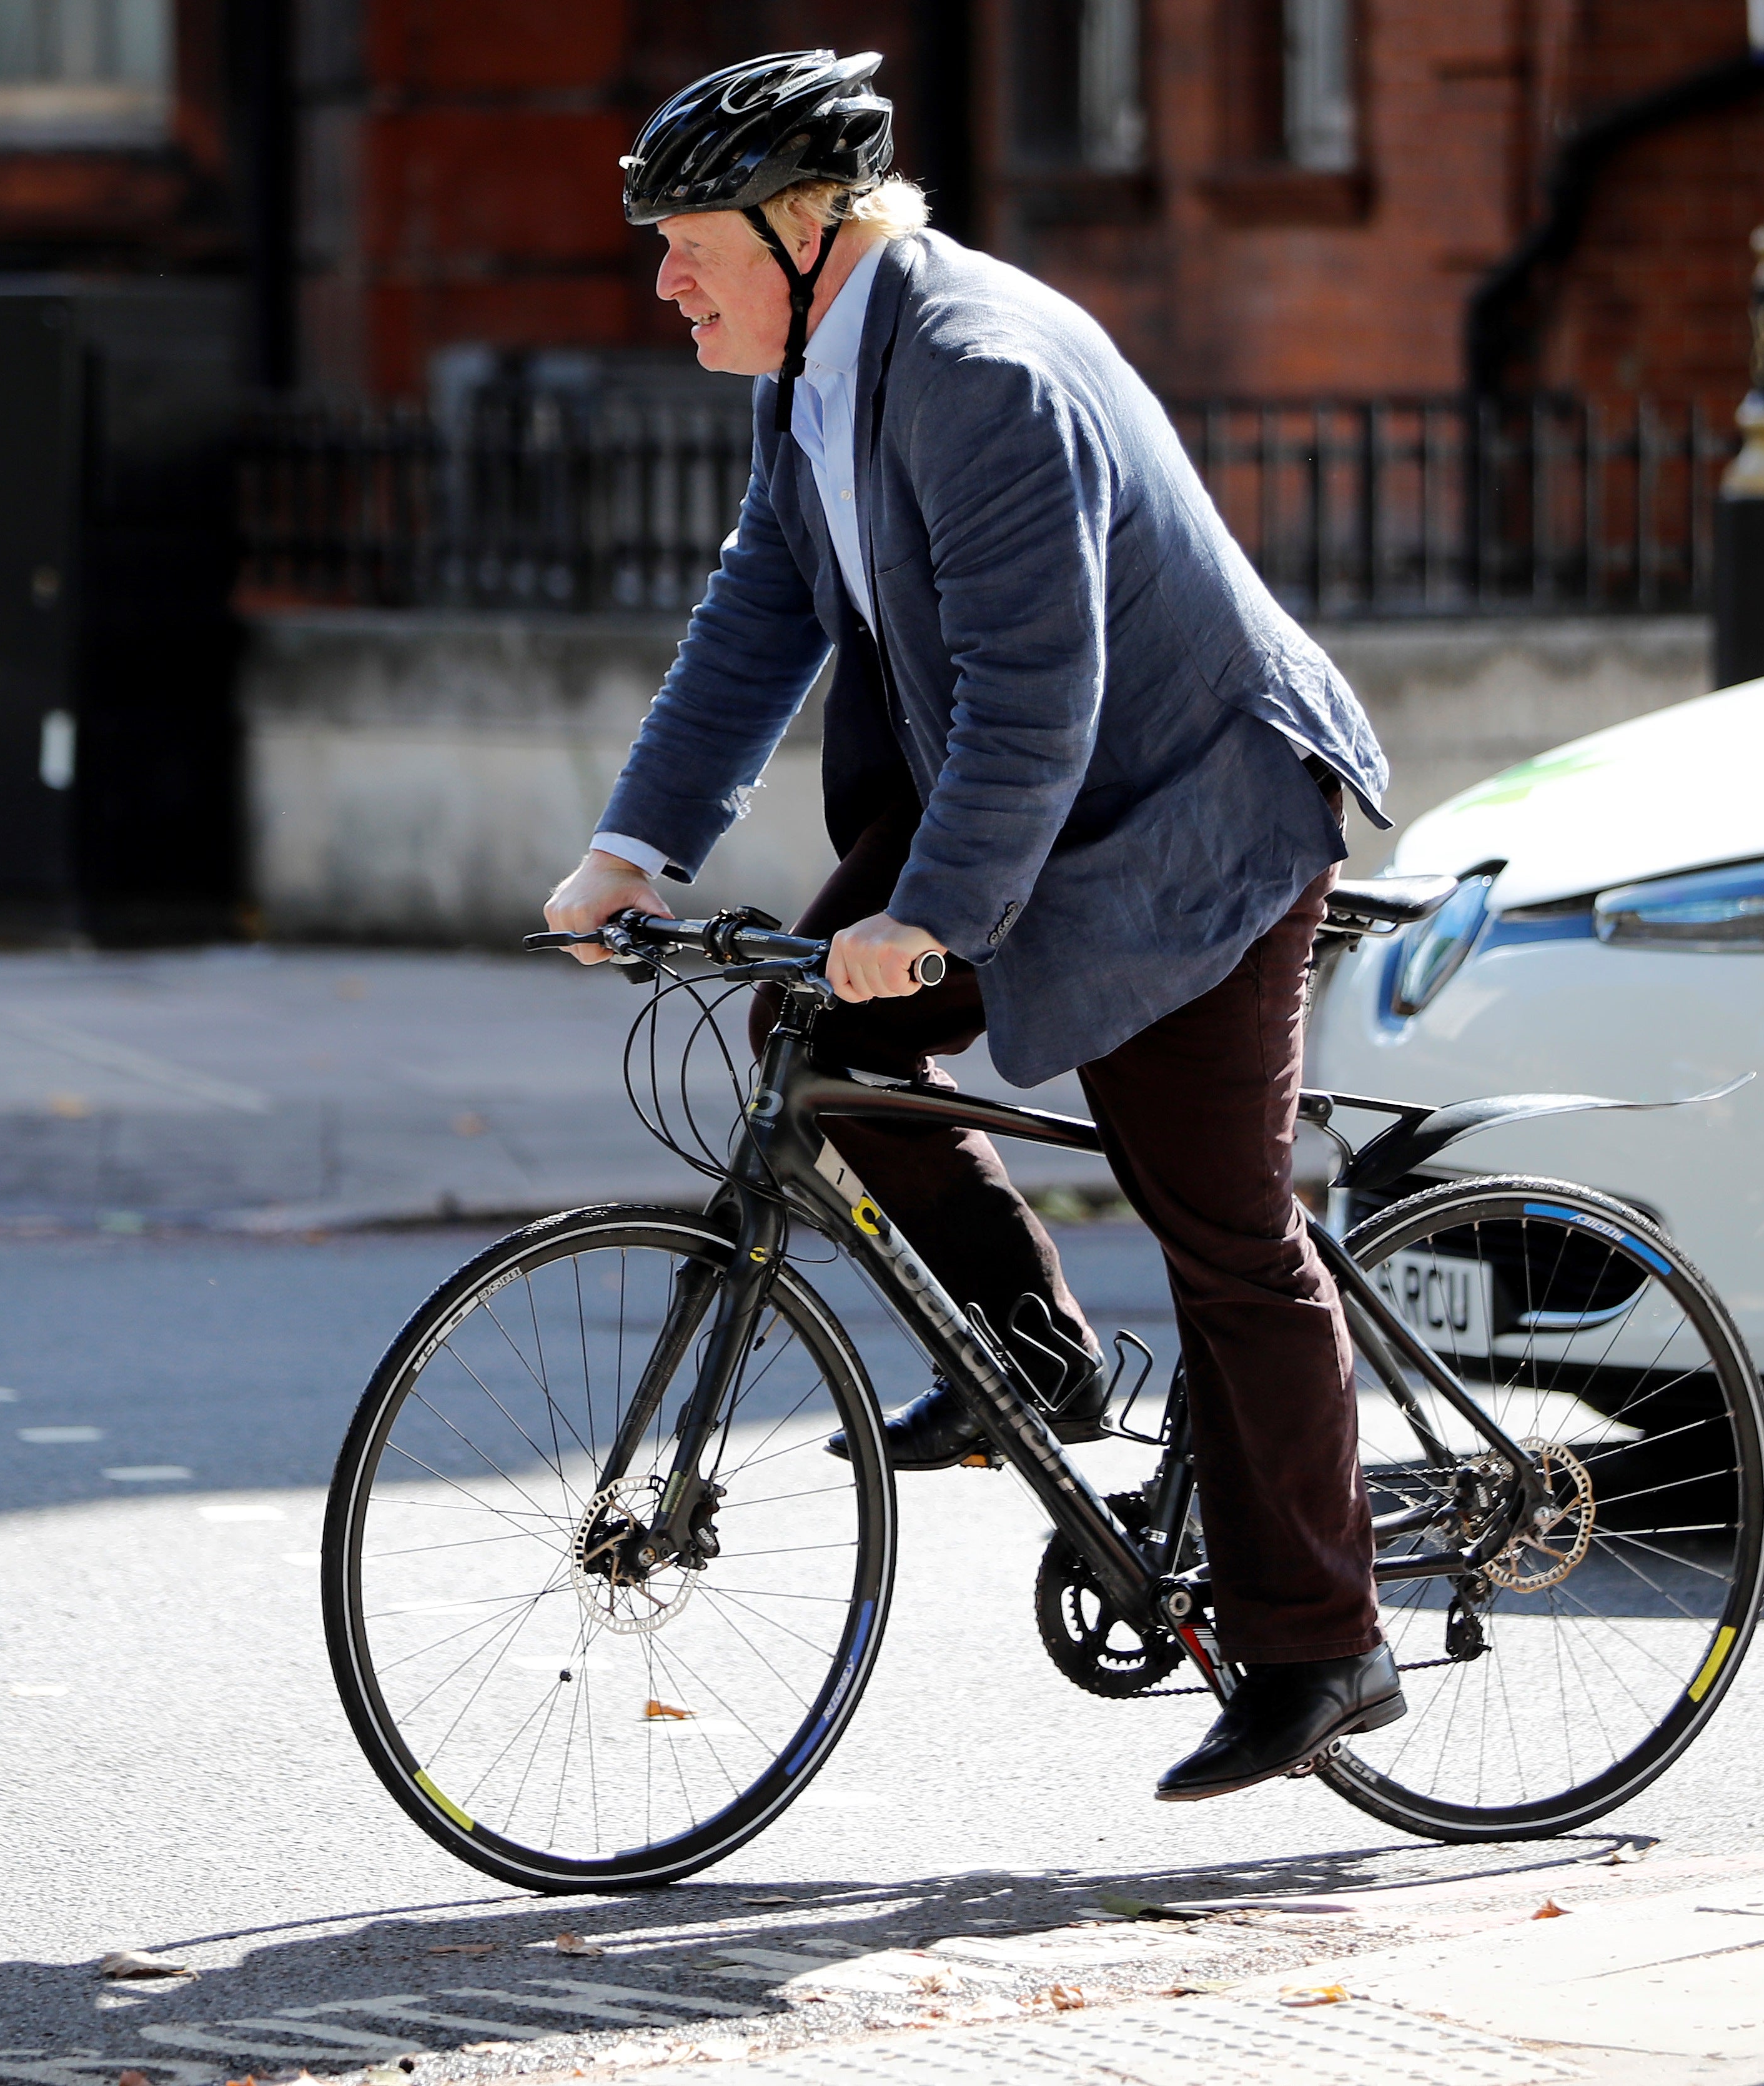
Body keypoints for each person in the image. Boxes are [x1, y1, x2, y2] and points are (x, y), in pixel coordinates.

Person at [542, 50, 1402, 1802]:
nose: (662, 280)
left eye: (685, 239)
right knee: (824, 1044)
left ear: (804, 226)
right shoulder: (815, 367)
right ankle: (1036, 1352)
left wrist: (930, 915)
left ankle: (1323, 1640)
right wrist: (634, 847)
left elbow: (1038, 688)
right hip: (1035, 808)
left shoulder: (976, 372)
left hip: (1193, 823)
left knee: (1221, 1222)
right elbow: (757, 613)